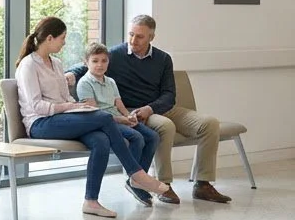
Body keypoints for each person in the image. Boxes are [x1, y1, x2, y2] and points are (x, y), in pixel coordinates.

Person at [15, 17, 169, 218]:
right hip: (40, 123)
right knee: (104, 118)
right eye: (62, 38)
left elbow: (65, 96)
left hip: (62, 117)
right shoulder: (28, 65)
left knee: (101, 140)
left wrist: (77, 105)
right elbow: (37, 106)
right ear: (50, 38)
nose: (65, 42)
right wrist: (71, 106)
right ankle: (136, 173)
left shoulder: (57, 63)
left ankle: (91, 201)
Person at [68, 15, 230, 205]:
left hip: (160, 107)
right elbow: (90, 64)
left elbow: (169, 94)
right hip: (133, 109)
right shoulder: (116, 55)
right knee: (165, 126)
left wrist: (151, 108)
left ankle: (203, 184)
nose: (133, 40)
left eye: (139, 37)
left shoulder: (163, 59)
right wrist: (70, 73)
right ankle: (164, 184)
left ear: (151, 37)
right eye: (131, 34)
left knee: (210, 124)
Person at [76, 42, 161, 207]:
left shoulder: (111, 82)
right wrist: (121, 120)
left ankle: (136, 181)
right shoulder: (85, 83)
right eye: (95, 61)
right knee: (137, 138)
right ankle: (134, 177)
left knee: (153, 137)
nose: (100, 65)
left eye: (104, 60)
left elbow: (118, 103)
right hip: (104, 123)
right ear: (86, 62)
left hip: (119, 118)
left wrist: (128, 116)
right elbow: (95, 115)